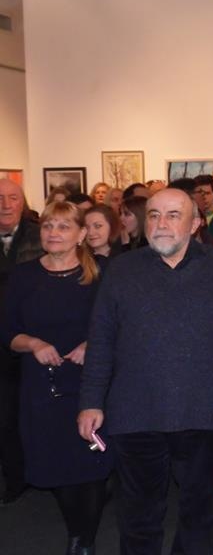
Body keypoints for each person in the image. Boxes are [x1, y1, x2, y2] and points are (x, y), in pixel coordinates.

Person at [77, 188, 213, 554]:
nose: (161, 223)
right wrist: (91, 401)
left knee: (199, 513)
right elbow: (100, 341)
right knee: (138, 515)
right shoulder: (121, 270)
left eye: (173, 215)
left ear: (195, 224)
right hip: (135, 413)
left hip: (204, 410)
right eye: (153, 215)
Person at [2, 201, 112, 554]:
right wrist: (33, 343)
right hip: (42, 387)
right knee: (55, 464)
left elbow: (123, 325)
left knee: (91, 464)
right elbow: (7, 332)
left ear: (82, 234)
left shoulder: (103, 274)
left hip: (90, 385)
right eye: (48, 226)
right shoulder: (23, 276)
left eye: (64, 226)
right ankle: (78, 532)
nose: (53, 233)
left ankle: (83, 541)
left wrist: (92, 344)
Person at [0, 179, 43, 506]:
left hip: (31, 338)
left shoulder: (40, 235)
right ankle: (14, 478)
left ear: (22, 202)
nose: (5, 204)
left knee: (30, 413)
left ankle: (38, 472)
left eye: (12, 197)